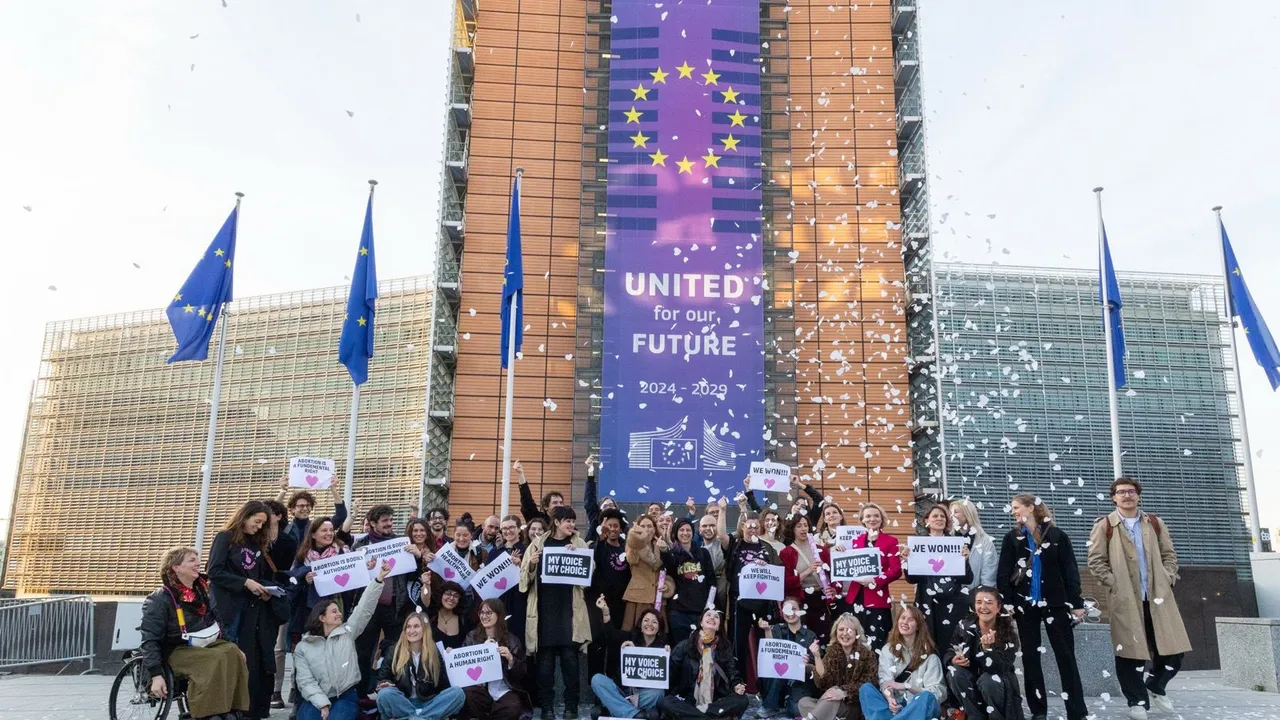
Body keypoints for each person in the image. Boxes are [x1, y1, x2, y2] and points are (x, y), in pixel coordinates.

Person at [1087, 478, 1191, 719]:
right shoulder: (1105, 525)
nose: (1127, 496)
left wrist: (1168, 576)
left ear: (1138, 495)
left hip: (1158, 596)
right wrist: (1113, 584)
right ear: (1113, 497)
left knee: (1174, 650)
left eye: (1131, 491)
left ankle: (1155, 685)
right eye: (1121, 492)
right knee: (1129, 652)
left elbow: (1169, 553)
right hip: (1125, 599)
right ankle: (1137, 702)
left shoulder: (1153, 522)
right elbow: (1095, 560)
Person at [997, 494, 1087, 720]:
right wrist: (1007, 602)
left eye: (1016, 507)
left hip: (1056, 603)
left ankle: (1076, 711)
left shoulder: (1057, 536)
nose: (1013, 511)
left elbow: (1070, 571)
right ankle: (1038, 711)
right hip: (1024, 606)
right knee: (1030, 658)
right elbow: (1003, 572)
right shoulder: (1012, 538)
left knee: (1066, 656)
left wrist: (1076, 603)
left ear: (1031, 507)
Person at [140, 547, 251, 720]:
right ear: (176, 567)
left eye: (197, 559)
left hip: (202, 644)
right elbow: (149, 639)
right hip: (175, 650)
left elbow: (217, 621)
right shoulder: (160, 599)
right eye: (191, 560)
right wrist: (155, 675)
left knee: (231, 651)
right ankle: (205, 713)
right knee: (212, 660)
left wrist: (236, 646)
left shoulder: (201, 591)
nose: (197, 563)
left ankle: (231, 708)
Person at [208, 500, 285, 719]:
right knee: (230, 656)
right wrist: (244, 583)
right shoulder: (225, 537)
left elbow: (257, 574)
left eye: (263, 524)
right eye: (257, 521)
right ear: (245, 516)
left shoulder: (255, 544)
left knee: (245, 660)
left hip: (252, 608)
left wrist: (263, 588)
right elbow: (214, 571)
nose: (259, 527)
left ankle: (241, 707)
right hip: (228, 608)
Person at [293, 559, 392, 720]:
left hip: (345, 696)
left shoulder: (347, 633)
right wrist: (322, 703)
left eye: (339, 611)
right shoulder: (303, 647)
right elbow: (305, 681)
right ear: (322, 618)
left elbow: (364, 608)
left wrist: (379, 579)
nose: (339, 614)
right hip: (315, 696)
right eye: (334, 611)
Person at [521, 505, 592, 720]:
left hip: (569, 614)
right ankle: (547, 708)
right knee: (545, 665)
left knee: (571, 663)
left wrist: (578, 556)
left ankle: (572, 707)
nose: (571, 524)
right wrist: (532, 565)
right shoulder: (537, 543)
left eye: (573, 520)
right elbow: (523, 582)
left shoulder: (578, 543)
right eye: (567, 520)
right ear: (557, 522)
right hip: (544, 613)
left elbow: (590, 574)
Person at [901, 503, 972, 652]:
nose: (939, 518)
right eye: (935, 516)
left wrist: (965, 561)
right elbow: (912, 579)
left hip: (952, 602)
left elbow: (967, 579)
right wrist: (907, 562)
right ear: (927, 520)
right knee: (927, 645)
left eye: (943, 516)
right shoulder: (918, 543)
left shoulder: (956, 543)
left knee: (949, 646)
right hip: (927, 603)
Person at [944, 586, 1023, 720]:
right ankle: (975, 717)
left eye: (989, 602)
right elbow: (950, 650)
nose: (983, 607)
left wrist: (987, 650)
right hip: (971, 680)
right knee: (955, 673)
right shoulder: (964, 626)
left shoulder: (1008, 633)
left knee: (988, 680)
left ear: (998, 608)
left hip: (998, 685)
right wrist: (953, 659)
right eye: (979, 602)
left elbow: (1001, 667)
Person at [857, 605, 945, 720]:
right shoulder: (888, 650)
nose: (905, 622)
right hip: (894, 708)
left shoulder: (930, 656)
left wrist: (906, 686)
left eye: (910, 619)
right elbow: (886, 680)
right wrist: (890, 699)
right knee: (866, 688)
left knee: (927, 696)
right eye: (902, 618)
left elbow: (937, 692)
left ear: (918, 626)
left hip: (918, 708)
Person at [660, 608, 750, 720]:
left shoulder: (725, 648)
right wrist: (666, 656)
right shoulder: (685, 645)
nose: (712, 617)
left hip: (715, 701)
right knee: (666, 702)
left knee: (743, 700)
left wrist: (737, 684)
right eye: (708, 615)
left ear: (718, 627)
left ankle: (697, 714)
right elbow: (671, 674)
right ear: (701, 623)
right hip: (688, 699)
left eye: (716, 617)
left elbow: (732, 672)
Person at [352, 504, 406, 693]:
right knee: (363, 651)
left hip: (393, 605)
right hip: (368, 607)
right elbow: (353, 577)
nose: (389, 524)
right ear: (373, 523)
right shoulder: (360, 546)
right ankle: (361, 694)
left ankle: (395, 690)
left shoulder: (400, 542)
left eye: (391, 520)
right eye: (385, 521)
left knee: (397, 650)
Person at [374, 611, 466, 720]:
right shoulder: (394, 650)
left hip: (428, 703)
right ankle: (422, 717)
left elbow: (444, 685)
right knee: (385, 694)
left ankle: (414, 717)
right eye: (408, 627)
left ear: (425, 629)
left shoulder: (434, 651)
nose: (411, 631)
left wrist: (450, 659)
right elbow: (382, 679)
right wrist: (385, 684)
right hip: (402, 703)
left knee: (458, 693)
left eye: (416, 626)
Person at [725, 511, 780, 694]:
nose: (753, 529)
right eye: (749, 526)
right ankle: (738, 685)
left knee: (766, 645)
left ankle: (766, 687)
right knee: (737, 645)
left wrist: (768, 567)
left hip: (763, 604)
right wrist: (727, 509)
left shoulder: (768, 548)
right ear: (742, 527)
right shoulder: (736, 545)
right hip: (739, 603)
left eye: (756, 526)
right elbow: (720, 534)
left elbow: (778, 572)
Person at [591, 600, 669, 720]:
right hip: (621, 691)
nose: (650, 624)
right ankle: (634, 715)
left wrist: (668, 655)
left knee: (658, 693)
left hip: (643, 695)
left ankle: (618, 709)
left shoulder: (662, 647)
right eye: (646, 620)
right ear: (641, 626)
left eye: (654, 622)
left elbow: (667, 677)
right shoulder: (630, 638)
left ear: (659, 628)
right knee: (597, 679)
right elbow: (611, 635)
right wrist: (605, 612)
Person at [461, 598, 532, 720]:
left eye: (488, 613)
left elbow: (522, 674)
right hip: (480, 689)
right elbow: (463, 666)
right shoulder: (471, 637)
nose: (484, 616)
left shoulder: (512, 640)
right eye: (481, 613)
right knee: (468, 693)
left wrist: (510, 659)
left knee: (513, 706)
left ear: (499, 615)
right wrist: (481, 651)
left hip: (503, 691)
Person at [842, 504, 901, 650]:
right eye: (868, 516)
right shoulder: (855, 541)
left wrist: (875, 581)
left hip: (877, 599)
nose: (872, 519)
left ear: (882, 520)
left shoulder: (891, 541)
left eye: (876, 515)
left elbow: (896, 570)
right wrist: (839, 552)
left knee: (875, 643)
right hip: (855, 598)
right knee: (853, 642)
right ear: (862, 520)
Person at [799, 613, 878, 720]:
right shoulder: (831, 653)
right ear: (836, 633)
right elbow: (822, 683)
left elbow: (870, 684)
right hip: (830, 702)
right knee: (803, 702)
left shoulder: (867, 655)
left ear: (857, 633)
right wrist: (817, 657)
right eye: (841, 630)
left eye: (849, 630)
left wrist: (844, 692)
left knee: (833, 693)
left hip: (854, 705)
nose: (845, 633)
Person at [757, 597, 820, 718]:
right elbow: (770, 655)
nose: (790, 613)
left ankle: (784, 702)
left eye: (794, 609)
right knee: (777, 668)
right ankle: (769, 706)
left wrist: (807, 665)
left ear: (800, 611)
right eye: (787, 609)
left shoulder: (810, 635)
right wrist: (766, 630)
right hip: (777, 678)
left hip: (799, 682)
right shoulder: (776, 629)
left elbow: (816, 669)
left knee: (796, 711)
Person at [588, 507, 632, 680]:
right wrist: (601, 537)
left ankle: (614, 686)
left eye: (616, 526)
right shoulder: (599, 547)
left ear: (621, 528)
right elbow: (596, 559)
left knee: (616, 645)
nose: (613, 529)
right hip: (599, 604)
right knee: (597, 645)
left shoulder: (626, 549)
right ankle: (596, 687)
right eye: (609, 526)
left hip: (620, 605)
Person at [264, 499, 299, 711]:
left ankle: (281, 690)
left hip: (279, 595)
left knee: (281, 645)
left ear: (278, 516)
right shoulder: (256, 538)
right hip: (257, 594)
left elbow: (287, 570)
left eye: (269, 513)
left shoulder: (287, 541)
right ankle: (268, 690)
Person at [779, 514, 838, 639]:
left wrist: (833, 588)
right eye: (799, 526)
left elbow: (835, 575)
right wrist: (807, 571)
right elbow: (785, 582)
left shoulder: (822, 550)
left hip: (821, 599)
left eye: (805, 525)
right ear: (792, 529)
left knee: (823, 636)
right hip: (801, 599)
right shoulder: (786, 553)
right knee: (802, 638)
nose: (803, 529)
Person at [666, 518, 716, 646]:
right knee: (680, 648)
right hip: (678, 612)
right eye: (681, 530)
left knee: (700, 649)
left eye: (688, 530)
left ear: (693, 533)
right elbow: (669, 578)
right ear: (676, 533)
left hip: (699, 611)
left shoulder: (703, 553)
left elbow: (712, 581)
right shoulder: (672, 554)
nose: (685, 533)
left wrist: (708, 606)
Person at [623, 514, 669, 630]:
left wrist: (668, 585)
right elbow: (631, 560)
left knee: (659, 636)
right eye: (643, 526)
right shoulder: (633, 545)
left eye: (649, 526)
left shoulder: (661, 544)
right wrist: (638, 541)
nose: (646, 529)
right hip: (638, 598)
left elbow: (668, 569)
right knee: (636, 633)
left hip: (658, 597)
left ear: (655, 529)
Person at [950, 499, 998, 589]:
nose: (951, 516)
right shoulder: (948, 539)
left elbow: (989, 573)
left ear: (968, 514)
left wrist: (983, 597)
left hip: (975, 596)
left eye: (955, 512)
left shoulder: (985, 541)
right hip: (951, 596)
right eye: (951, 512)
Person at [515, 459, 564, 525]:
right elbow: (527, 500)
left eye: (561, 503)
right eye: (555, 502)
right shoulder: (537, 519)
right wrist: (521, 474)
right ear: (546, 507)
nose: (559, 505)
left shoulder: (566, 522)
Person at [428, 580, 474, 651]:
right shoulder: (431, 614)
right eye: (448, 594)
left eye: (456, 595)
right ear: (441, 595)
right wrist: (426, 585)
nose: (452, 598)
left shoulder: (464, 620)